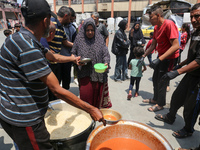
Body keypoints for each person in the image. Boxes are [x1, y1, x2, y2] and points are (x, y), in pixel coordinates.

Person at [0, 1, 105, 150]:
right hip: (24, 119)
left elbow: (53, 56)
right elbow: (56, 89)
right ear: (45, 21)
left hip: (9, 112)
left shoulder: (19, 38)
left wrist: (73, 59)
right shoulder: (28, 47)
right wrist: (91, 109)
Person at [155, 3, 200, 139]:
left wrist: (177, 72)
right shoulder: (196, 32)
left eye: (197, 16)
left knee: (191, 107)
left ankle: (188, 129)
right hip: (190, 74)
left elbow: (199, 60)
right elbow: (193, 55)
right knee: (176, 97)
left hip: (198, 79)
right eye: (191, 17)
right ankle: (170, 116)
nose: (193, 20)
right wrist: (180, 65)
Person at [142, 5, 180, 112]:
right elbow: (153, 45)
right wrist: (144, 55)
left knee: (162, 81)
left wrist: (160, 59)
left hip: (170, 58)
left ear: (158, 15)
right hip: (161, 56)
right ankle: (155, 99)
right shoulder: (156, 28)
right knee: (155, 78)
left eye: (151, 17)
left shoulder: (169, 24)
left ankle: (160, 104)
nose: (149, 20)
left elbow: (176, 46)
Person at [71, 18, 110, 108]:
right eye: (88, 30)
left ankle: (96, 118)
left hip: (98, 75)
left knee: (96, 101)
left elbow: (106, 54)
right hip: (84, 75)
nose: (90, 32)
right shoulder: (79, 39)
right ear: (84, 30)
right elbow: (73, 52)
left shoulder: (99, 39)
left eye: (92, 30)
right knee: (85, 101)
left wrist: (106, 62)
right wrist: (76, 59)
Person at [48, 6, 73, 101]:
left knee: (56, 86)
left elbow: (65, 42)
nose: (70, 20)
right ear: (66, 16)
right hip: (49, 63)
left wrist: (78, 45)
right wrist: (48, 49)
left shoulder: (61, 28)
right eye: (70, 17)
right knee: (50, 88)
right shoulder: (51, 23)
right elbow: (42, 38)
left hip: (57, 63)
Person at [60, 6, 77, 90]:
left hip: (67, 59)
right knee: (56, 80)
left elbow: (74, 43)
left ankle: (65, 98)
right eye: (70, 19)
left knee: (66, 80)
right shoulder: (58, 26)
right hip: (56, 59)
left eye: (72, 19)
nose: (71, 21)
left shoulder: (72, 28)